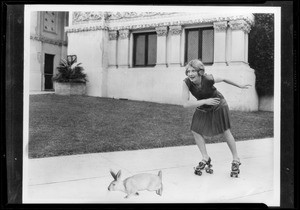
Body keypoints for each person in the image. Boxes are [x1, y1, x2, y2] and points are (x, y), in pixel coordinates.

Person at [181, 59, 251, 177]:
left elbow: (223, 79)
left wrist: (239, 85)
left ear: (200, 72)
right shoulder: (186, 82)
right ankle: (205, 157)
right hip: (204, 104)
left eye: (193, 71)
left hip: (218, 103)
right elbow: (185, 104)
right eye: (188, 71)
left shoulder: (208, 79)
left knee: (225, 130)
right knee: (195, 130)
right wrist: (205, 101)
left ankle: (236, 159)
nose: (190, 74)